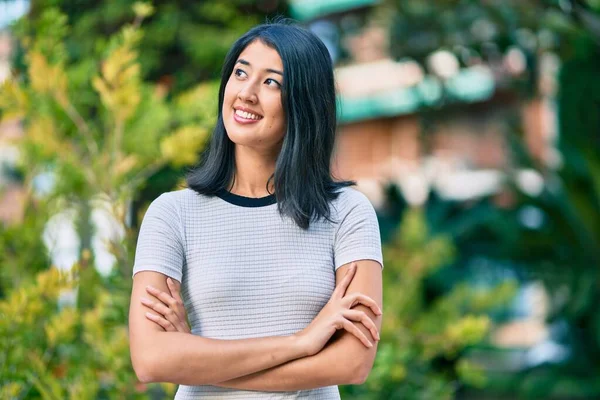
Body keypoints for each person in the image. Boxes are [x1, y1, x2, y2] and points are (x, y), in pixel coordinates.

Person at [129, 21, 384, 400]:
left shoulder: (347, 213)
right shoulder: (172, 213)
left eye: (271, 82)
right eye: (241, 73)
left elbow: (351, 363)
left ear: (304, 102)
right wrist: (301, 343)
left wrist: (196, 359)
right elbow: (151, 359)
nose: (246, 93)